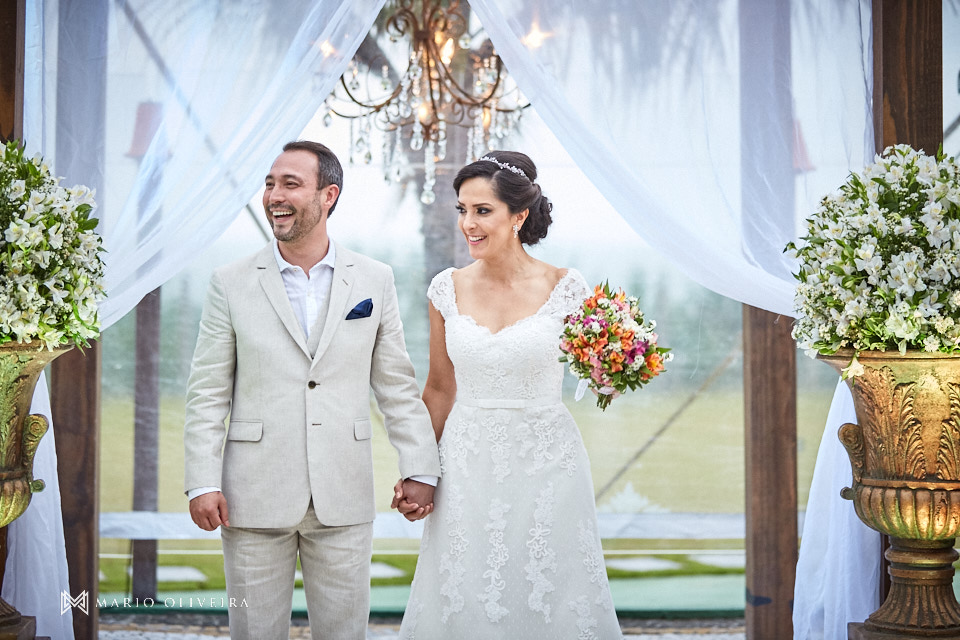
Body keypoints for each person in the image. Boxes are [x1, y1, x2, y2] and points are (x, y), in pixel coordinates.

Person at [183, 140, 441, 640]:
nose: (274, 195)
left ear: (329, 195)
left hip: (343, 491)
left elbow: (396, 386)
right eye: (270, 183)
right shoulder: (230, 282)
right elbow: (208, 390)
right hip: (250, 494)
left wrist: (419, 467)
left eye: (290, 184)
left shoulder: (374, 279)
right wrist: (201, 481)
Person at [394, 151, 623, 638]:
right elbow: (438, 388)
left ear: (519, 215)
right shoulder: (445, 289)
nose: (468, 224)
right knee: (466, 588)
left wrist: (617, 366)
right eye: (462, 210)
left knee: (552, 591)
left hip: (548, 462)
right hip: (467, 462)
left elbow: (602, 363)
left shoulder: (568, 288)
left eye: (482, 211)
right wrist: (418, 470)